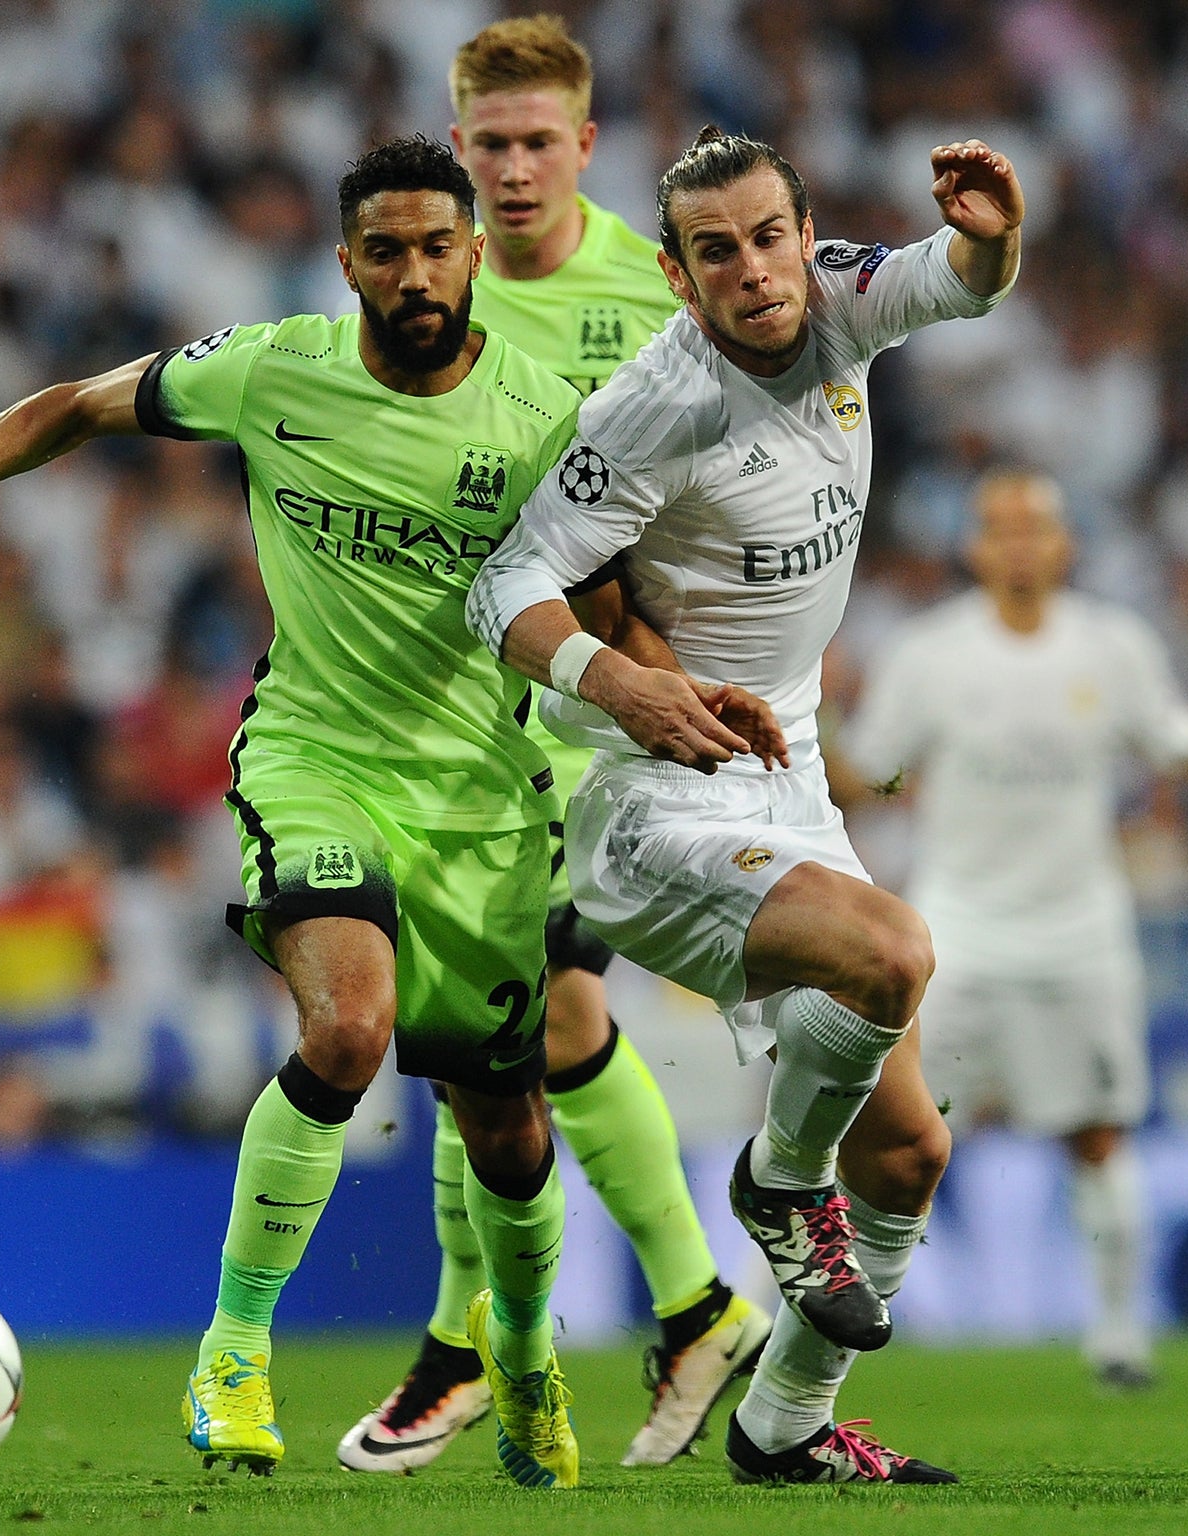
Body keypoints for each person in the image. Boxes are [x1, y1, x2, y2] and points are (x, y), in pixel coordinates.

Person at [0, 138, 591, 1489]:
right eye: (386, 251)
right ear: (348, 263)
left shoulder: (550, 417)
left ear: (476, 252)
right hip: (313, 758)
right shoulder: (274, 368)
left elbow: (614, 605)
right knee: (348, 1026)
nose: (414, 273)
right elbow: (70, 404)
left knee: (507, 1123)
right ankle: (233, 1349)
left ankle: (522, 1354)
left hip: (480, 794)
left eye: (436, 246)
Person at [467, 127, 1023, 1485]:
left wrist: (993, 235)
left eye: (769, 236)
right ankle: (779, 1186)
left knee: (907, 1154)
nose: (754, 269)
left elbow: (962, 283)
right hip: (653, 795)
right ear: (677, 273)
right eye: (715, 251)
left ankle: (784, 1429)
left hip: (785, 783)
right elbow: (506, 588)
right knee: (891, 951)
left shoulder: (836, 302)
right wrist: (632, 690)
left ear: (803, 233)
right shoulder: (654, 407)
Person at [339, 16, 764, 1477]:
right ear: (456, 149)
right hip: (453, 729)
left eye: (540, 144)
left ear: (588, 148)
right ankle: (576, 1325)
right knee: (491, 1055)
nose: (514, 172)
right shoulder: (412, 292)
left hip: (599, 714)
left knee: (542, 1029)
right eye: (490, 145)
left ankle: (548, 1329)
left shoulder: (653, 291)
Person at [839, 469, 1188, 1388]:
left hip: (1078, 932)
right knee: (886, 1130)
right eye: (998, 528)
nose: (1017, 544)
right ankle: (812, 1320)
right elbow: (869, 774)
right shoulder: (929, 655)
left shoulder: (1111, 647)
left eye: (1034, 527)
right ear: (973, 548)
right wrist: (790, 716)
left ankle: (1119, 1337)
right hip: (958, 932)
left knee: (1098, 1135)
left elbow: (1187, 746)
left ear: (1064, 544)